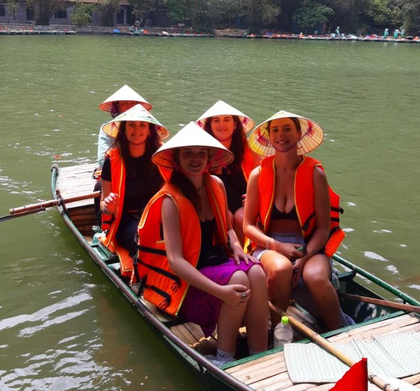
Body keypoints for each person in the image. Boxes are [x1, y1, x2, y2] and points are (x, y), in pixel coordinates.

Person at [137, 123, 268, 364]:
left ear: (209, 158)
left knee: (258, 272)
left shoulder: (216, 185)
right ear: (176, 159)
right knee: (239, 280)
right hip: (187, 282)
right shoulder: (170, 199)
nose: (195, 159)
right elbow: (176, 262)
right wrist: (221, 292)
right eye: (188, 153)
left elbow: (227, 228)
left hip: (218, 262)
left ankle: (258, 353)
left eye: (201, 153)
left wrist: (237, 246)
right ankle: (224, 357)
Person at [244, 111, 348, 332]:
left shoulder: (315, 173)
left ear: (299, 134)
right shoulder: (257, 174)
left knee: (316, 277)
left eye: (287, 129)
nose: (281, 135)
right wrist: (277, 246)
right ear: (269, 137)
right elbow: (248, 227)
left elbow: (322, 228)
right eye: (275, 130)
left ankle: (338, 332)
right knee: (281, 269)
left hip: (308, 245)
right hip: (268, 244)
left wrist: (305, 256)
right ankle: (276, 333)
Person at [99, 104, 169, 278]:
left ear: (149, 131)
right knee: (144, 239)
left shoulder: (161, 155)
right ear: (123, 130)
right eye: (131, 125)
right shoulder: (112, 159)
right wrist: (108, 206)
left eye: (142, 125)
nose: (137, 130)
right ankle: (148, 280)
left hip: (159, 215)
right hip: (127, 220)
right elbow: (104, 204)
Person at [197, 101, 260, 245]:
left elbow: (264, 174)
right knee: (228, 217)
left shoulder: (247, 149)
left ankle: (245, 256)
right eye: (216, 120)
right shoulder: (201, 150)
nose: (221, 125)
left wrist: (255, 195)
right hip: (212, 201)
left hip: (243, 202)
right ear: (210, 126)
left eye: (227, 119)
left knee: (241, 216)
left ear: (235, 124)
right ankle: (227, 255)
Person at [96, 85, 152, 168]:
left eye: (133, 103)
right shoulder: (109, 128)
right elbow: (102, 160)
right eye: (124, 103)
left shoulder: (148, 125)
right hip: (119, 169)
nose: (129, 107)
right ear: (117, 107)